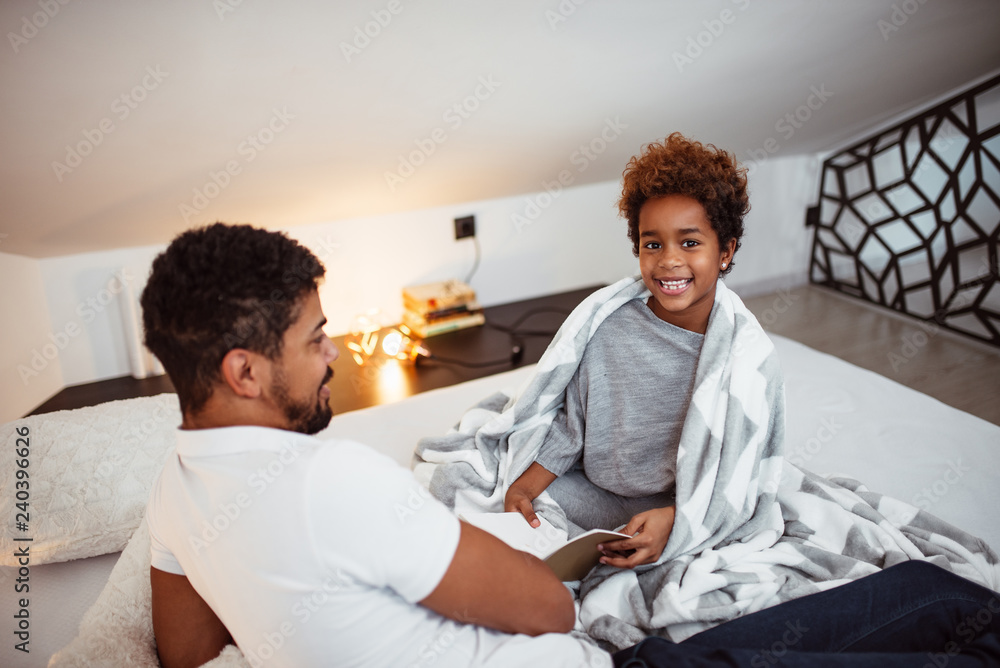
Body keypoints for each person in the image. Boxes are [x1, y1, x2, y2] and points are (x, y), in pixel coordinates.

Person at [143, 222, 1000, 668]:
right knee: (933, 604)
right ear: (245, 371)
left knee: (925, 607)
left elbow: (188, 653)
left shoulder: (175, 488)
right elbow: (550, 609)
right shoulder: (334, 481)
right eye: (315, 340)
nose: (335, 356)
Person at [504, 132, 748, 567]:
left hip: (679, 502)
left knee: (724, 541)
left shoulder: (739, 353)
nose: (669, 260)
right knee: (509, 512)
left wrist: (675, 517)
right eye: (653, 244)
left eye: (690, 243)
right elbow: (572, 426)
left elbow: (738, 462)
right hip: (599, 493)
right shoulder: (610, 328)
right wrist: (523, 488)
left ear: (725, 251)